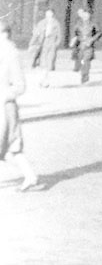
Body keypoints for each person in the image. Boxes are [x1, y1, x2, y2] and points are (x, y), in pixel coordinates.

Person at [0, 21, 38, 191]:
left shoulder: (10, 54)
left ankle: (30, 176)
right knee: (10, 148)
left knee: (10, 146)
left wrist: (4, 96)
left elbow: (20, 85)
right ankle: (30, 176)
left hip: (5, 107)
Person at [28, 8, 62, 87]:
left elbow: (59, 35)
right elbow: (36, 34)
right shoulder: (41, 23)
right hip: (42, 44)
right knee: (42, 63)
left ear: (53, 14)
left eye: (50, 14)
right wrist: (31, 44)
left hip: (51, 44)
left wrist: (56, 44)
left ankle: (45, 81)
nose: (49, 15)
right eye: (47, 14)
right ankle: (42, 79)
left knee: (49, 63)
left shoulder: (56, 23)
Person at [71, 10, 102, 84]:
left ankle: (85, 77)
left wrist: (92, 39)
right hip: (80, 45)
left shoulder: (93, 24)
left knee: (86, 60)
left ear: (89, 16)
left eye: (87, 15)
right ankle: (83, 73)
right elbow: (74, 32)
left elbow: (99, 32)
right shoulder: (78, 24)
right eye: (84, 15)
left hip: (89, 45)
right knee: (81, 60)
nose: (85, 17)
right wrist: (74, 40)